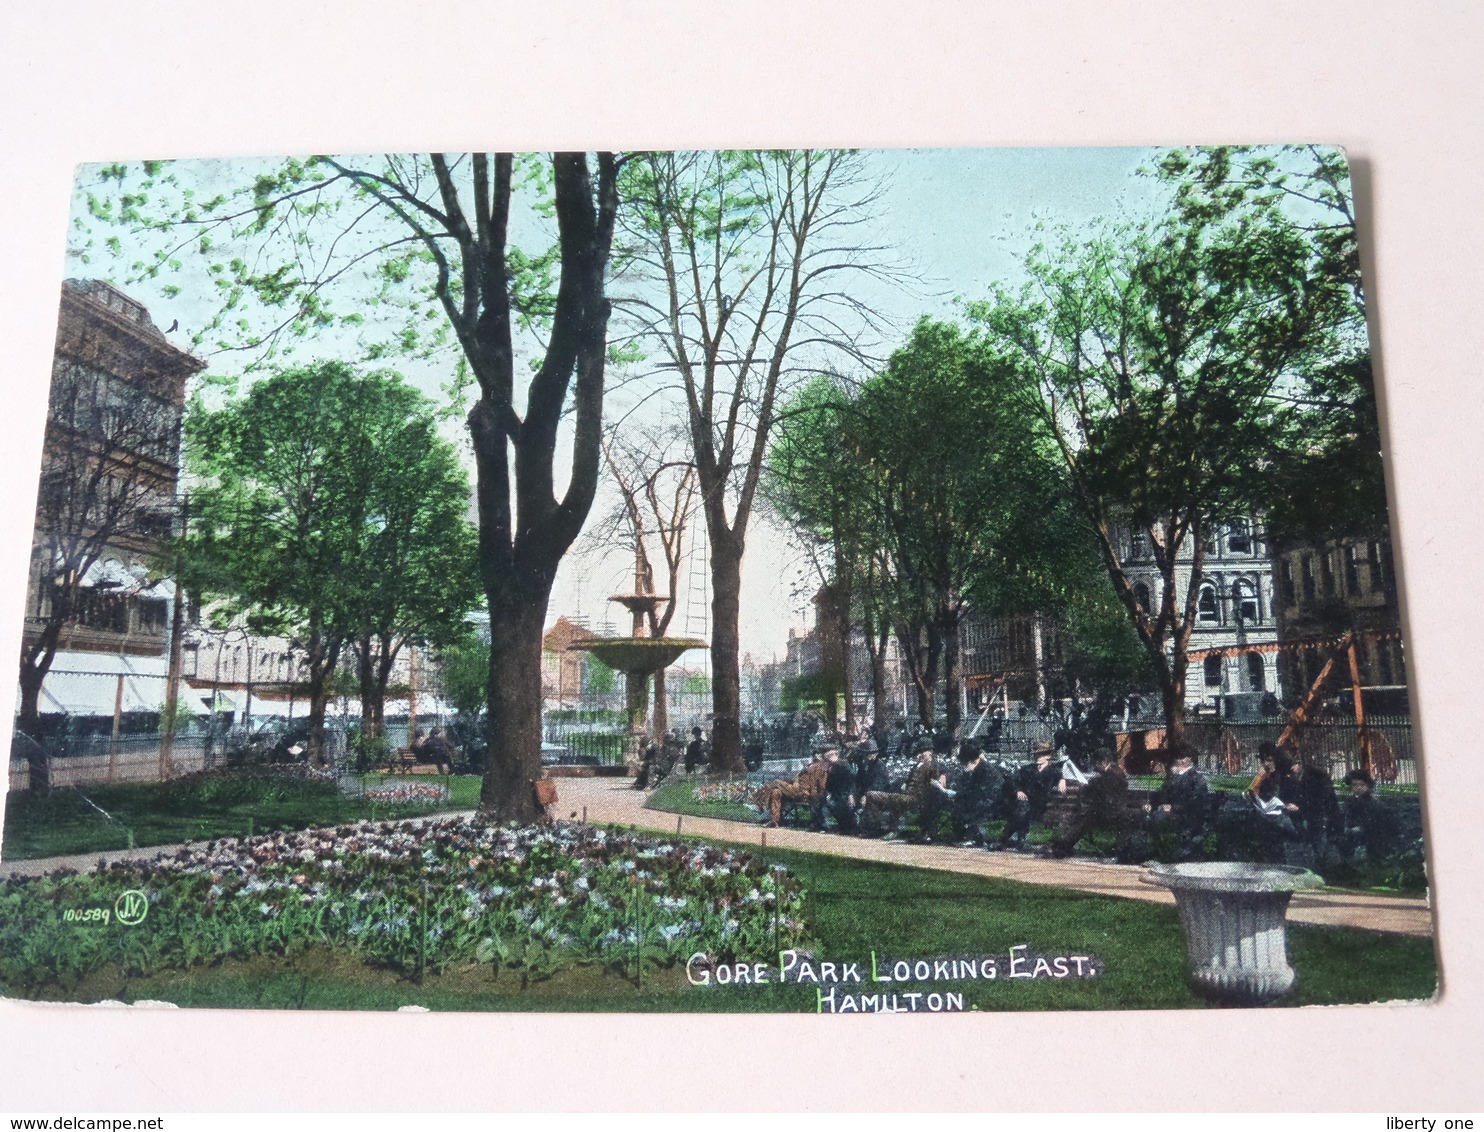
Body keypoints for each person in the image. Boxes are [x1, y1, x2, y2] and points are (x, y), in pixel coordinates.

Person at [1049, 747, 1130, 857]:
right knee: (1080, 817)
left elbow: (1100, 788)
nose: (1095, 766)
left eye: (1097, 763)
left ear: (1103, 761)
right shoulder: (1110, 772)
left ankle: (1062, 846)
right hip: (1106, 809)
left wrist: (1089, 785)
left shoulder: (1114, 773)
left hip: (1113, 811)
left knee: (1083, 819)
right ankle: (1062, 846)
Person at [1144, 742, 1209, 861]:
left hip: (1188, 815)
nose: (1176, 761)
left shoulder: (1197, 779)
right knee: (1153, 817)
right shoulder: (1173, 776)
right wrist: (1152, 804)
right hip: (1173, 813)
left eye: (1180, 758)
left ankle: (1166, 854)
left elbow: (1195, 803)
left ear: (1186, 761)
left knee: (1158, 818)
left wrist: (1173, 808)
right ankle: (1160, 853)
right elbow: (1163, 795)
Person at [861, 745, 942, 837]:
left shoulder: (933, 765)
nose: (920, 755)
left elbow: (938, 775)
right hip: (906, 795)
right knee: (870, 795)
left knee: (896, 799)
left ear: (930, 752)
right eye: (919, 752)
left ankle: (894, 829)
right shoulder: (918, 765)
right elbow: (907, 781)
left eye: (923, 752)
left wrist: (943, 775)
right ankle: (873, 829)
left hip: (918, 798)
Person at [999, 741, 1061, 850]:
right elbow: (1012, 781)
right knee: (1022, 808)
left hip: (1044, 805)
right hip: (1027, 802)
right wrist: (1018, 791)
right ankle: (1017, 839)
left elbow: (1062, 778)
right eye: (1036, 754)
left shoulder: (1054, 772)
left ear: (1048, 756)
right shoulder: (1027, 769)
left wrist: (1062, 780)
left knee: (1022, 809)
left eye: (1041, 755)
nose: (1038, 757)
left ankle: (1009, 839)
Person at [755, 748, 832, 827]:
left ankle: (760, 800)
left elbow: (821, 785)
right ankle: (774, 821)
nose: (816, 756)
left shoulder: (822, 768)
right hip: (795, 790)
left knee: (777, 782)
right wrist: (792, 781)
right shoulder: (809, 766)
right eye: (815, 754)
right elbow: (797, 779)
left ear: (822, 756)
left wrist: (816, 795)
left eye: (818, 754)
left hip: (804, 793)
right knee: (776, 792)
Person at [1337, 768, 1398, 862]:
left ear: (1368, 786)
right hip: (1352, 834)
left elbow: (1376, 824)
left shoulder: (1373, 804)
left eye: (1362, 785)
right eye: (1354, 785)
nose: (1358, 788)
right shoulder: (1349, 803)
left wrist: (1359, 828)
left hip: (1372, 836)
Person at [951, 739, 1004, 846]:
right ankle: (965, 835)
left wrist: (961, 795)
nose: (964, 766)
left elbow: (983, 792)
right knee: (961, 803)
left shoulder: (985, 770)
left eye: (966, 763)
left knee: (971, 806)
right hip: (983, 799)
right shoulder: (976, 771)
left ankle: (974, 838)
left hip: (994, 802)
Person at [816, 748, 858, 833]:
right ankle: (828, 827)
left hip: (847, 794)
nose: (829, 758)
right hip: (836, 794)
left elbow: (852, 780)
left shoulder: (843, 765)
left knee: (841, 805)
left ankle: (850, 827)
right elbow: (829, 785)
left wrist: (851, 794)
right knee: (823, 803)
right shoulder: (830, 767)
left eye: (831, 755)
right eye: (828, 756)